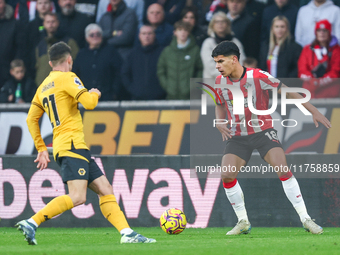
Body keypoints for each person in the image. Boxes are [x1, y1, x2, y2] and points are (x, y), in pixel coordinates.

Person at [15, 41, 156, 245]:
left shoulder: (43, 86)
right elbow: (89, 103)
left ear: (50, 62)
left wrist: (41, 148)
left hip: (67, 146)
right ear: (69, 60)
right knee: (77, 196)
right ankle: (32, 221)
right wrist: (95, 93)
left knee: (105, 189)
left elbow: (31, 118)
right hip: (73, 145)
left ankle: (127, 233)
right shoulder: (68, 77)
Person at [211, 41, 330, 235]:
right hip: (238, 136)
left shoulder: (258, 76)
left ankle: (306, 219)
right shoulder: (219, 82)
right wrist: (219, 121)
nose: (217, 66)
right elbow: (219, 102)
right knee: (227, 175)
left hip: (263, 132)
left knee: (282, 168)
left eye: (220, 61)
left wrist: (313, 111)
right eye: (216, 62)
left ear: (234, 59)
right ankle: (243, 221)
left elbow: (288, 91)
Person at [73, 24, 123, 101]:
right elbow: (75, 75)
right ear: (86, 38)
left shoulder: (111, 52)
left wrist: (115, 93)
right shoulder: (81, 55)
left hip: (107, 98)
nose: (95, 36)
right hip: (86, 99)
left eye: (98, 34)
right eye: (92, 35)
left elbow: (119, 73)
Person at [157, 20, 203, 99]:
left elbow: (200, 69)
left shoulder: (195, 50)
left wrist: (193, 86)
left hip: (190, 97)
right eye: (180, 30)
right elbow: (160, 70)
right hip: (171, 96)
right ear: (175, 32)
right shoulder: (167, 51)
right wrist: (168, 86)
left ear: (189, 32)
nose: (183, 33)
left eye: (185, 30)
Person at [121, 25, 166, 100]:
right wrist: (133, 90)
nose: (147, 36)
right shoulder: (132, 54)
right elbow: (125, 74)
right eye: (144, 34)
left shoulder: (163, 52)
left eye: (149, 33)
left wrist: (162, 89)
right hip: (137, 98)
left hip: (160, 98)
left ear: (154, 35)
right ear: (139, 36)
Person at [298, 19, 340, 98]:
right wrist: (312, 81)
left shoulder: (336, 50)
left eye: (325, 30)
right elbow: (302, 70)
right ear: (315, 32)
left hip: (330, 95)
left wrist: (319, 83)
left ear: (329, 32)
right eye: (319, 30)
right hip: (310, 94)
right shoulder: (307, 49)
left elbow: (335, 72)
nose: (322, 33)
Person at [35, 12, 78, 86]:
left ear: (58, 23)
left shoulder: (69, 42)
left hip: (64, 87)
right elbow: (37, 67)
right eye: (48, 22)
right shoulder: (40, 45)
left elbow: (76, 65)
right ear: (44, 24)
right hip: (44, 88)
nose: (50, 24)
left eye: (53, 21)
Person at [201, 11, 246, 79]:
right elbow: (211, 68)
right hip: (213, 84)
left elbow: (241, 61)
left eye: (223, 21)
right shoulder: (208, 43)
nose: (220, 24)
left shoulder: (235, 42)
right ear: (213, 25)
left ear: (227, 24)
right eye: (217, 22)